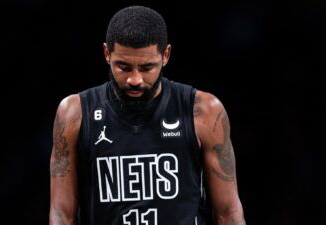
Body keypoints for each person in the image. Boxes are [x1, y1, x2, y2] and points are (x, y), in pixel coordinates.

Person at [49, 5, 246, 225]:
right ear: (107, 54)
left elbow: (228, 212)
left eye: (146, 68)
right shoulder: (74, 113)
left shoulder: (203, 111)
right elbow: (61, 214)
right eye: (123, 67)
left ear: (166, 55)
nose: (135, 79)